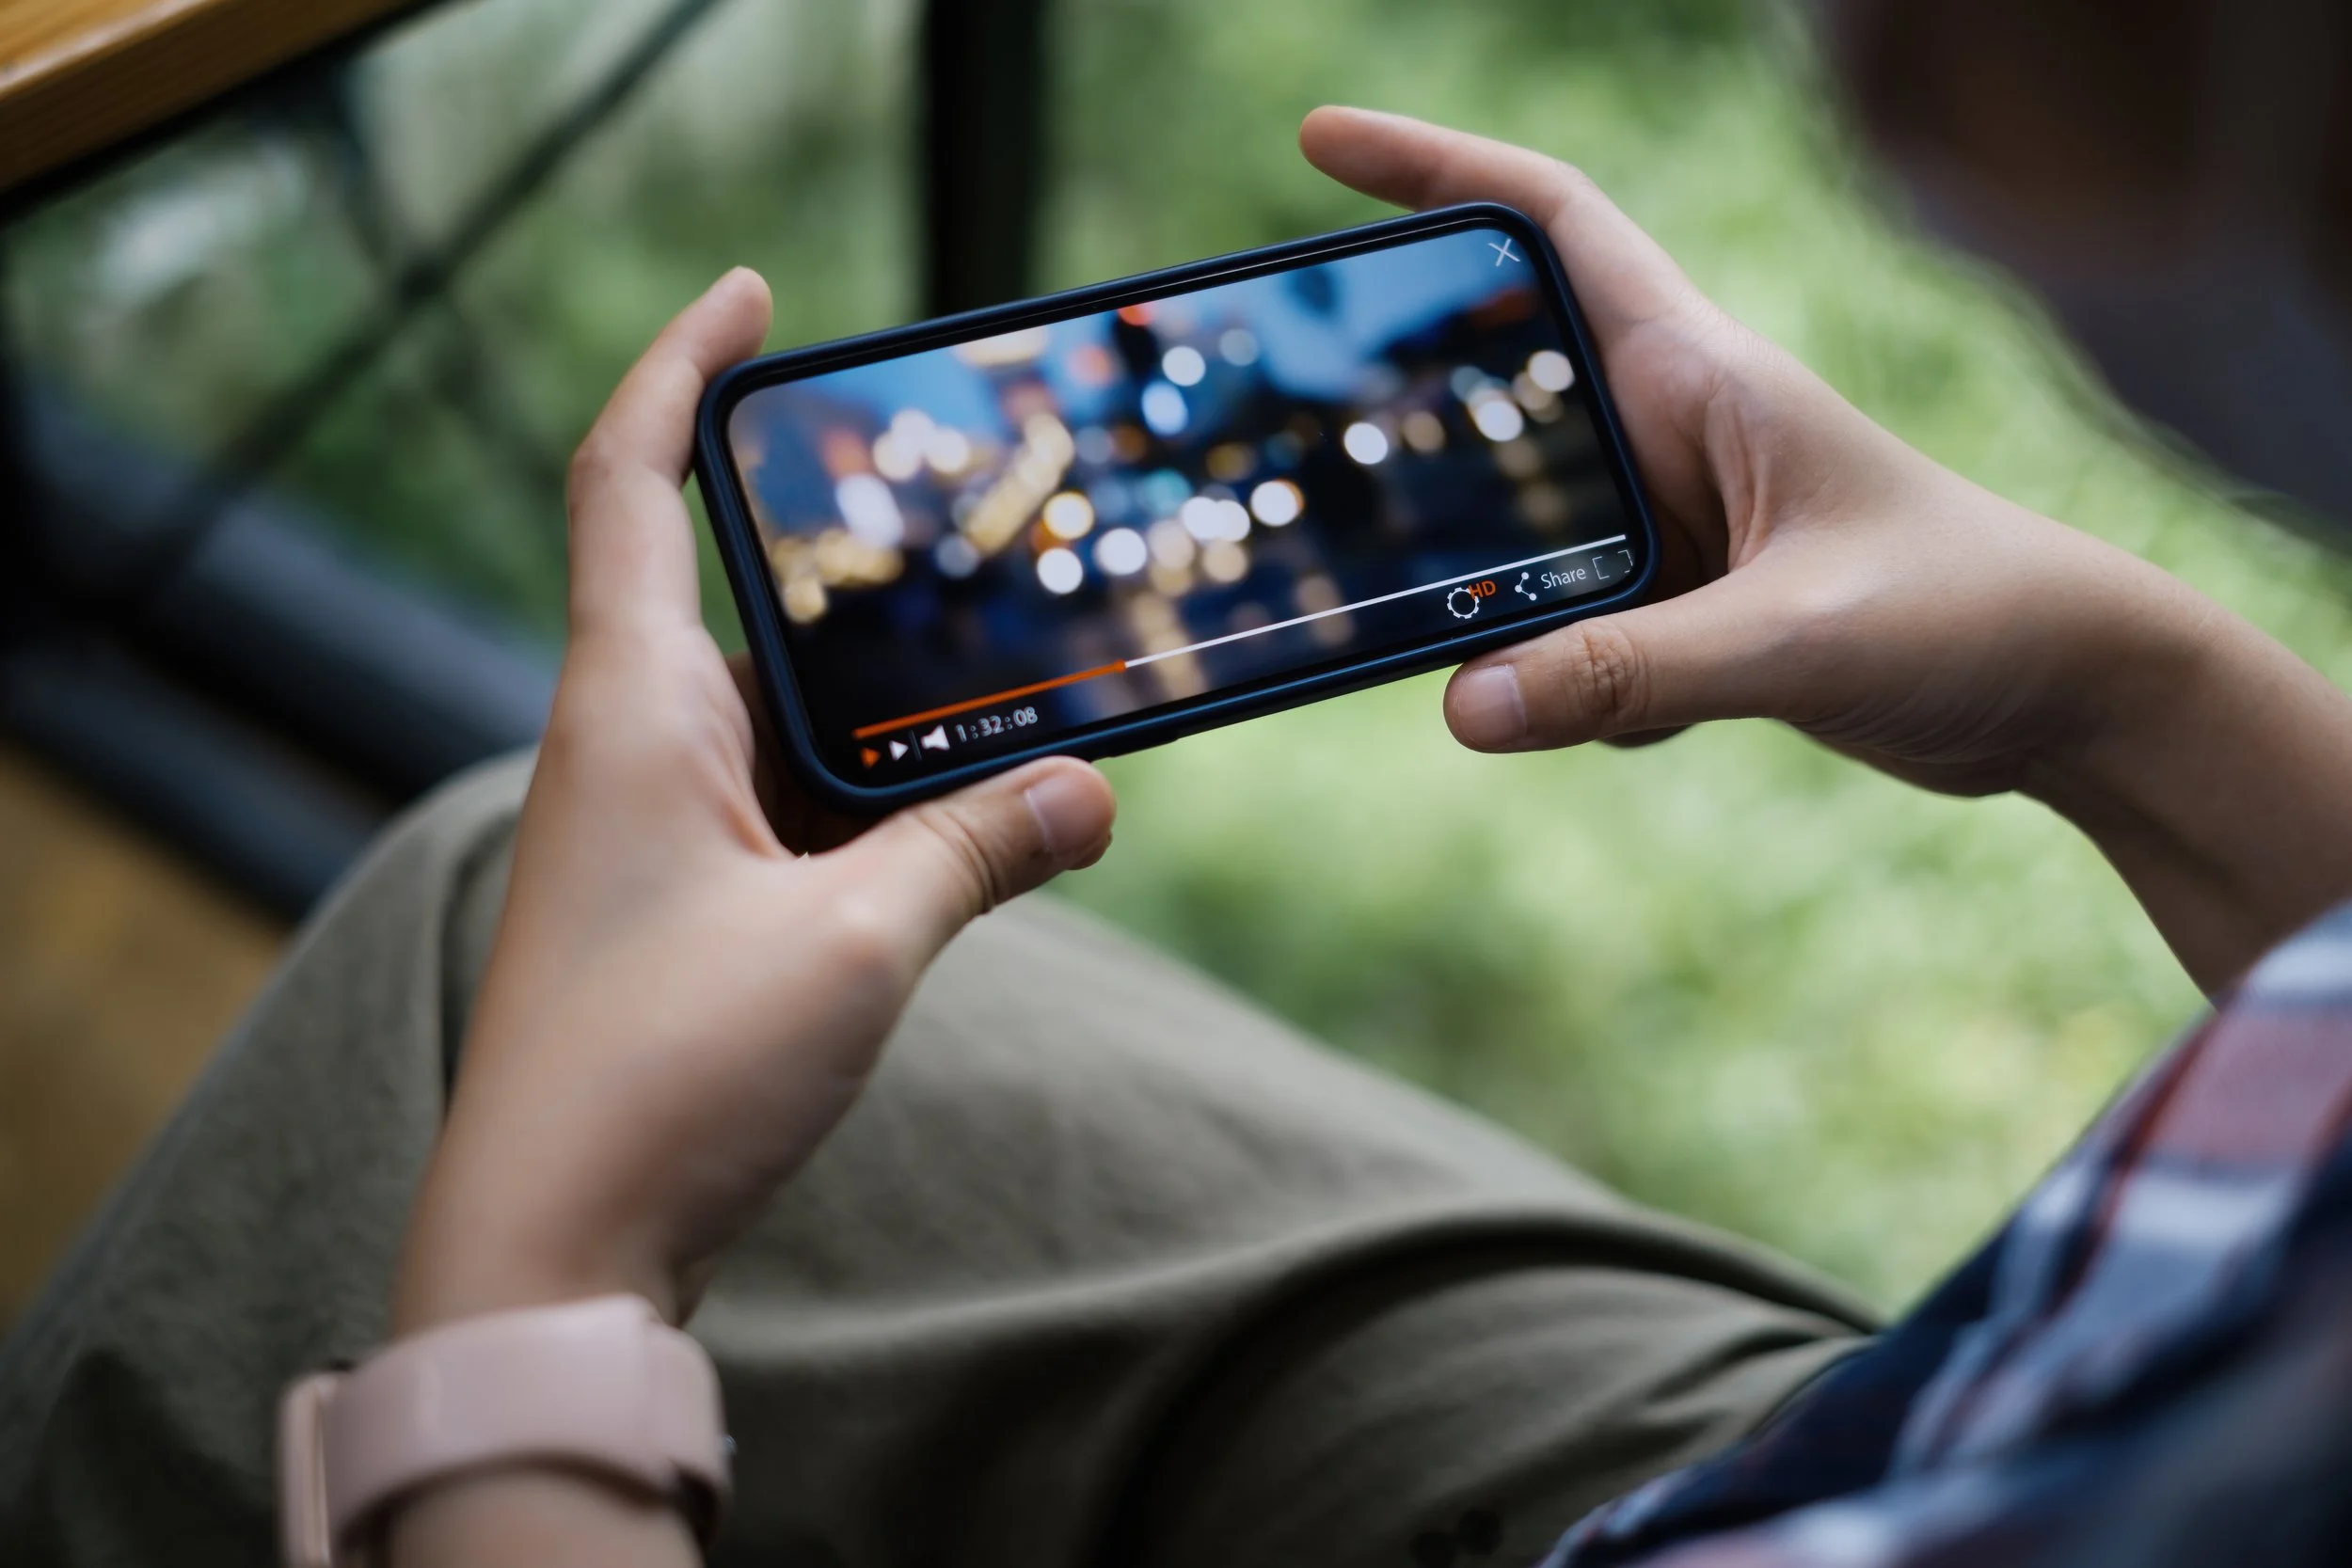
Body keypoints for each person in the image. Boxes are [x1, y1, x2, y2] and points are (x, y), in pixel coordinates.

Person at [8, 9, 2352, 1563]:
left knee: (447, 1005)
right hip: (1983, 1402)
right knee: (487, 887)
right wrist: (2120, 690)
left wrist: (532, 1292)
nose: (1854, 62)